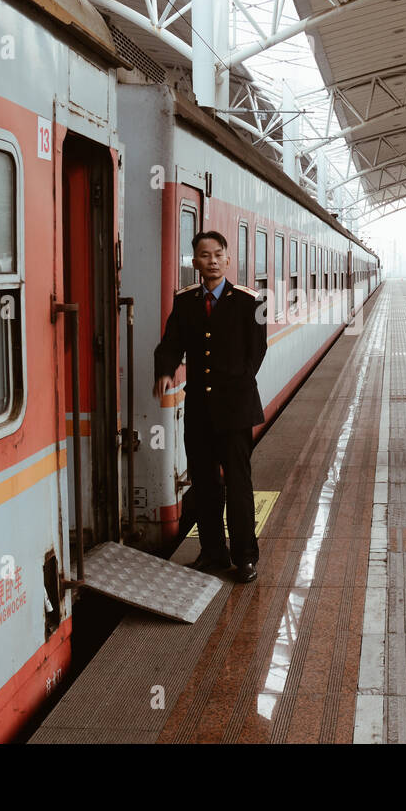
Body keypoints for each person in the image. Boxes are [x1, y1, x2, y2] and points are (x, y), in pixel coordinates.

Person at [153, 231, 267, 583]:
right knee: (204, 484)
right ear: (195, 262)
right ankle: (213, 553)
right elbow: (171, 343)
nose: (212, 260)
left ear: (228, 259)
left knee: (238, 484)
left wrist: (235, 386)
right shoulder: (185, 302)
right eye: (205, 255)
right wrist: (165, 371)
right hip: (200, 411)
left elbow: (257, 352)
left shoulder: (252, 302)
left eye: (218, 254)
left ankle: (245, 556)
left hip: (235, 411)